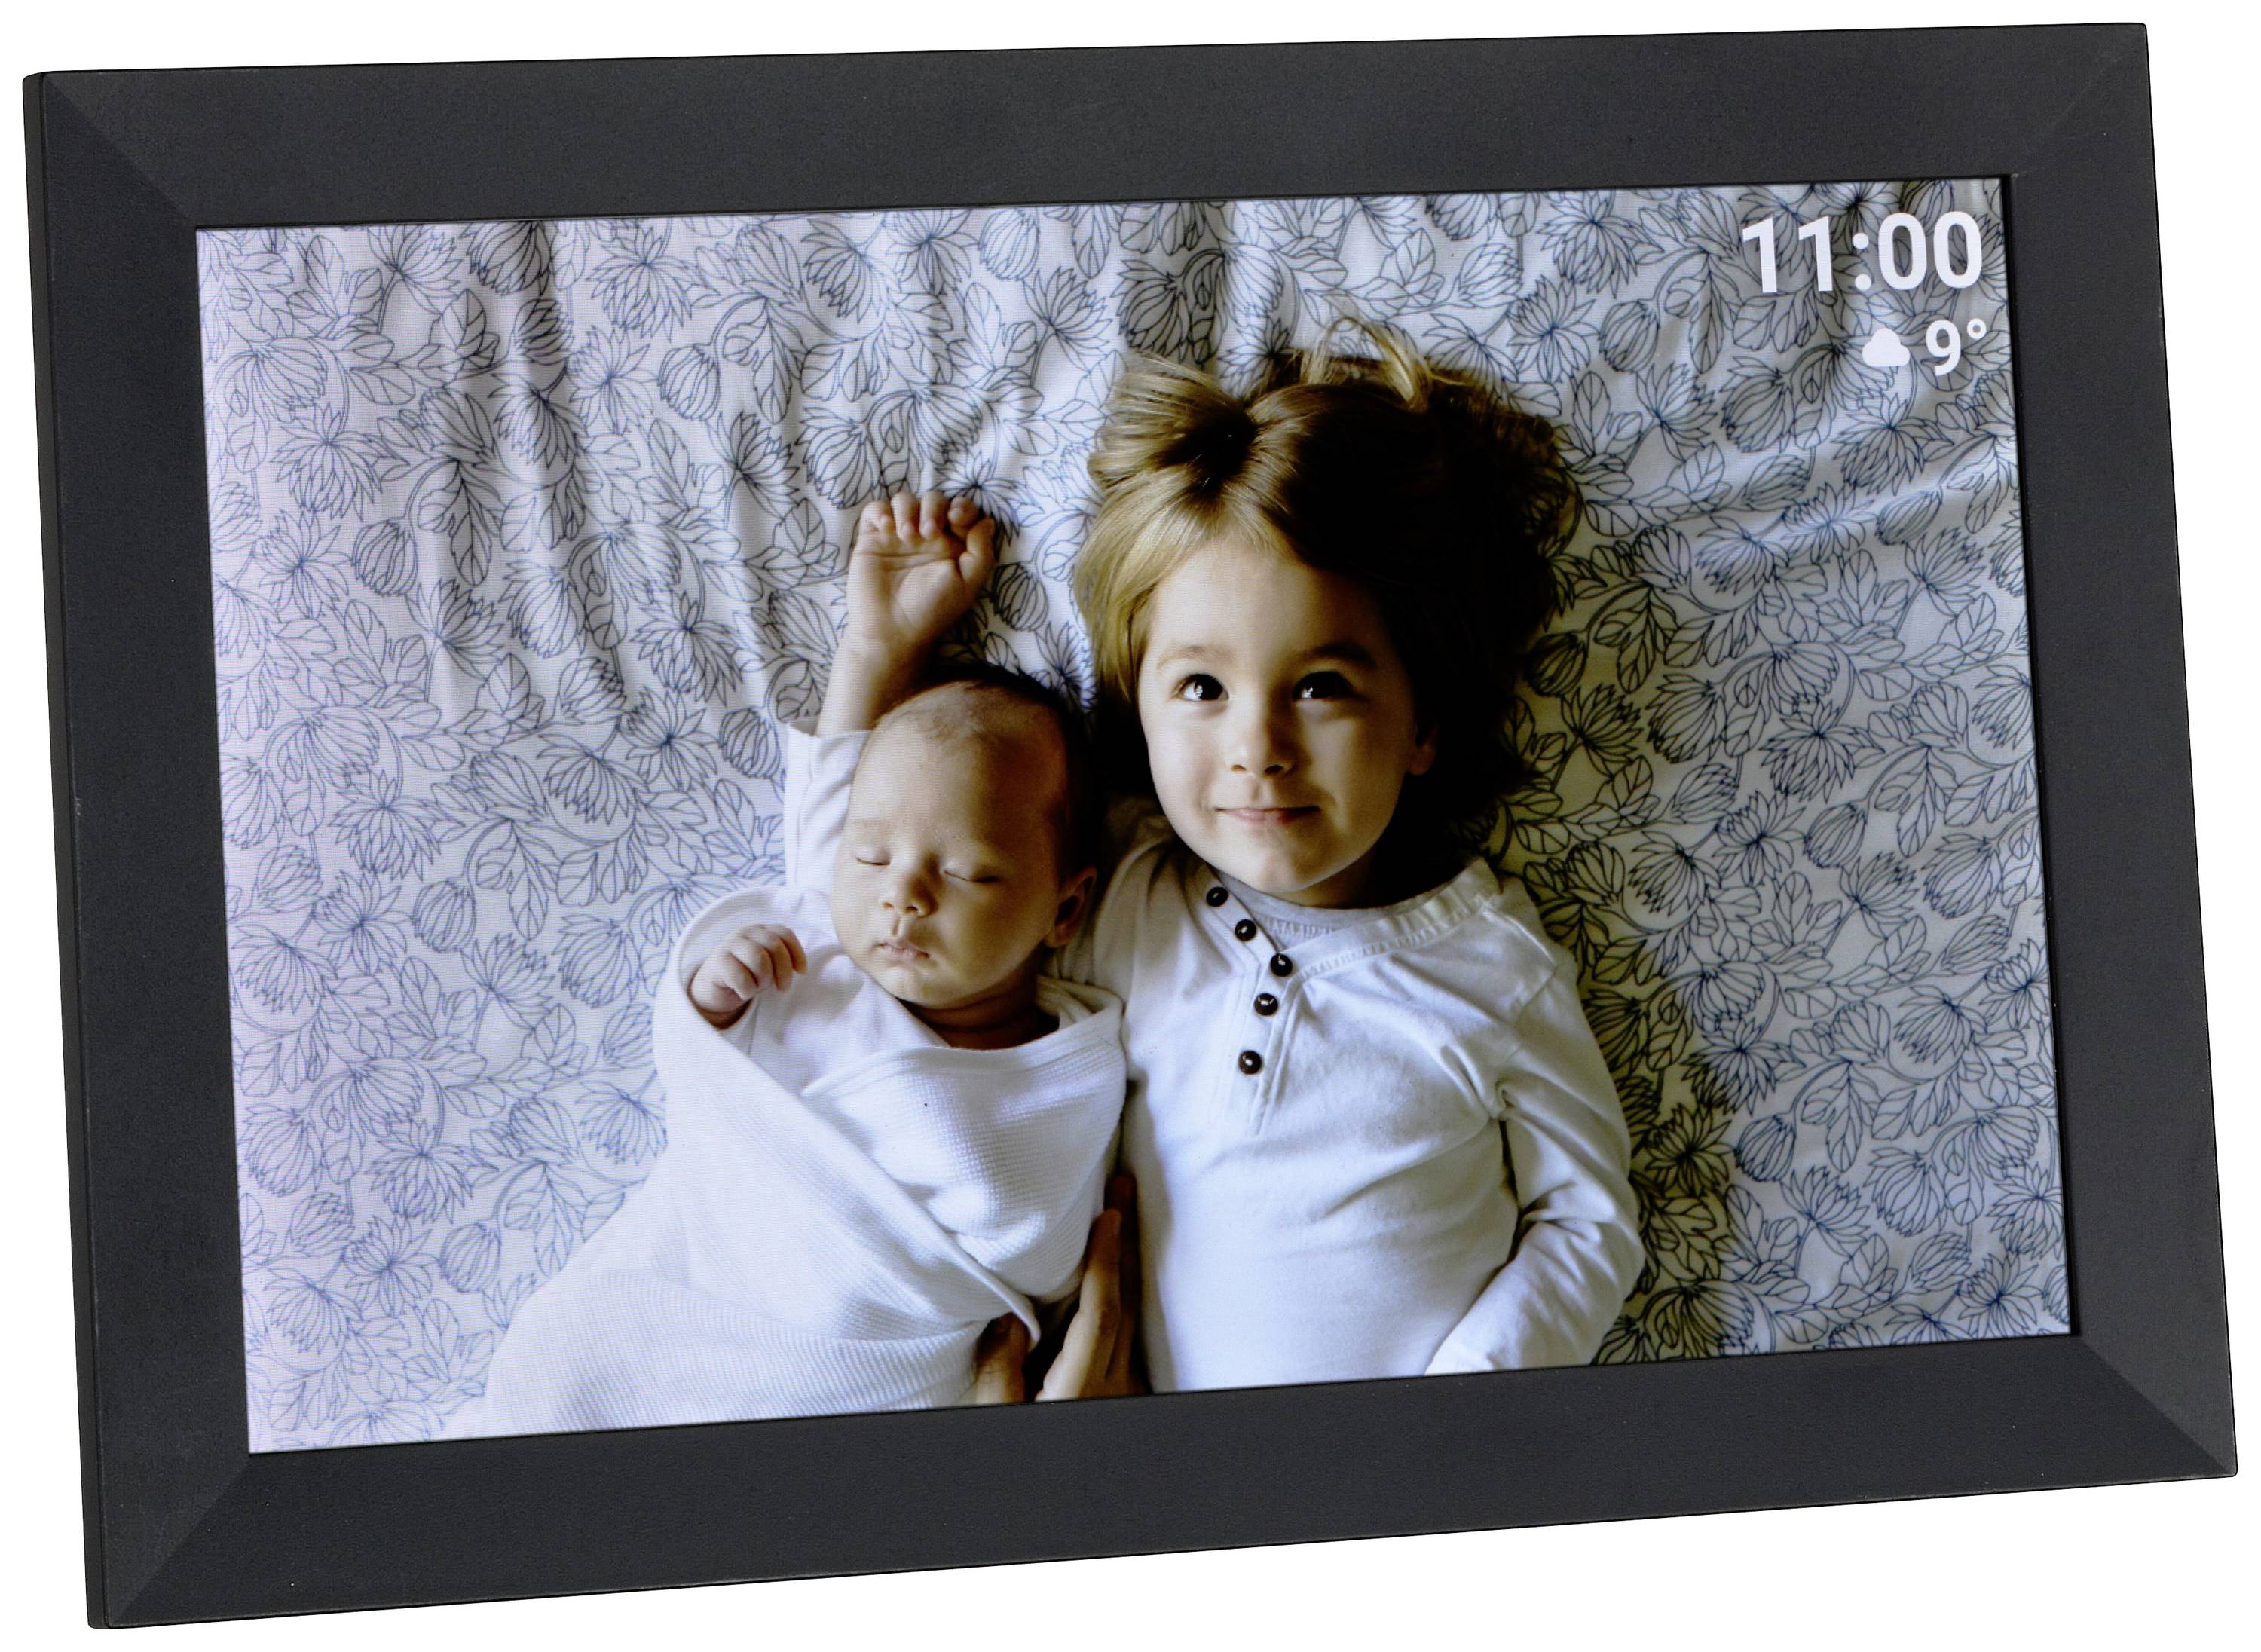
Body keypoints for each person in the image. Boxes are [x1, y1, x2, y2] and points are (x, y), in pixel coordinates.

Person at [798, 318, 1641, 1397]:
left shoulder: (1490, 965)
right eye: (1201, 689)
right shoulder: (1112, 897)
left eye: (1322, 686)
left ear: (1423, 722)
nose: (1258, 750)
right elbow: (861, 902)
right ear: (1138, 712)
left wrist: (1469, 1399)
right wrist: (879, 653)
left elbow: (1591, 1219)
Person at [446, 509, 1129, 1437]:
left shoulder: (1069, 1068)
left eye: (968, 871)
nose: (904, 896)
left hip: (871, 1375)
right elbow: (833, 828)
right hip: (702, 1318)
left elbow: (1032, 1247)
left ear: (1065, 909)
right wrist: (877, 640)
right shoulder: (818, 953)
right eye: (873, 858)